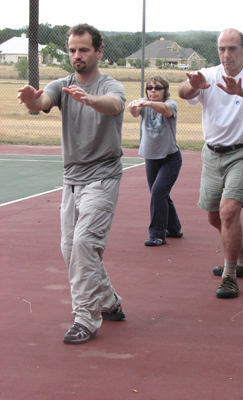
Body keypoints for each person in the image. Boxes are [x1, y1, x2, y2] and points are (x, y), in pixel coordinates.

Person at [17, 24, 126, 344]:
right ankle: (109, 302)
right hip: (72, 179)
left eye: (84, 49)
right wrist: (31, 102)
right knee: (70, 249)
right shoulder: (61, 85)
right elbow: (43, 102)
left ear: (98, 52)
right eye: (72, 50)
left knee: (83, 244)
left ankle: (86, 317)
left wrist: (91, 100)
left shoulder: (111, 86)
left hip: (103, 177)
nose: (77, 56)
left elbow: (115, 105)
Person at [178, 28, 243, 299]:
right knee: (213, 215)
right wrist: (193, 85)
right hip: (212, 154)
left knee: (228, 211)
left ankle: (229, 276)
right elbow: (183, 91)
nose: (226, 54)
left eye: (232, 48)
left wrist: (241, 91)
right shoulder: (208, 74)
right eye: (222, 48)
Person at [128, 75, 183, 246]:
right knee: (160, 194)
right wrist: (134, 106)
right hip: (151, 158)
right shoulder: (143, 103)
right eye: (150, 88)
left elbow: (166, 110)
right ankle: (174, 228)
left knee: (158, 193)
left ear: (165, 91)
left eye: (157, 88)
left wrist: (149, 103)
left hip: (170, 158)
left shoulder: (170, 104)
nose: (153, 91)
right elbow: (134, 113)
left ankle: (157, 235)